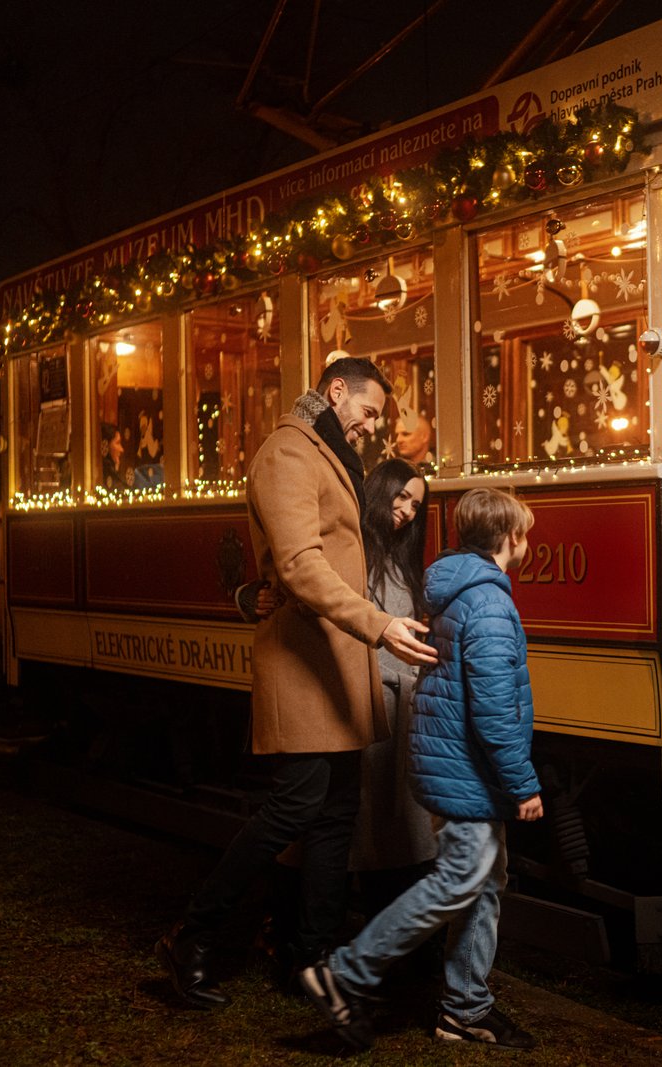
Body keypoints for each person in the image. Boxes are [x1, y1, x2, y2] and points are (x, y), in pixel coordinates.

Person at [155, 357, 437, 1010]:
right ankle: (190, 936)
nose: (372, 427)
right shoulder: (288, 452)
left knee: (334, 813)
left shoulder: (331, 454)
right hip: (306, 661)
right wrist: (381, 626)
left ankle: (311, 960)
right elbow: (301, 565)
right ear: (336, 392)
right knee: (295, 807)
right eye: (368, 412)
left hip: (335, 663)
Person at [300, 488, 544, 1052]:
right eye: (525, 534)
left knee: (482, 884)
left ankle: (465, 1010)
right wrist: (522, 783)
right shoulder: (488, 604)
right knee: (459, 880)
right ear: (510, 539)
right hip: (470, 773)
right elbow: (492, 708)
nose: (527, 545)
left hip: (455, 765)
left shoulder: (461, 591)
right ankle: (343, 973)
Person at [243, 459, 441, 985]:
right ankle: (309, 948)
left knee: (377, 838)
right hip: (355, 708)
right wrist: (249, 598)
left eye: (416, 505)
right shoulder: (345, 552)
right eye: (399, 498)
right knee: (337, 833)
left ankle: (352, 953)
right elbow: (289, 587)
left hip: (393, 719)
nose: (405, 512)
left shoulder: (401, 560)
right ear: (376, 494)